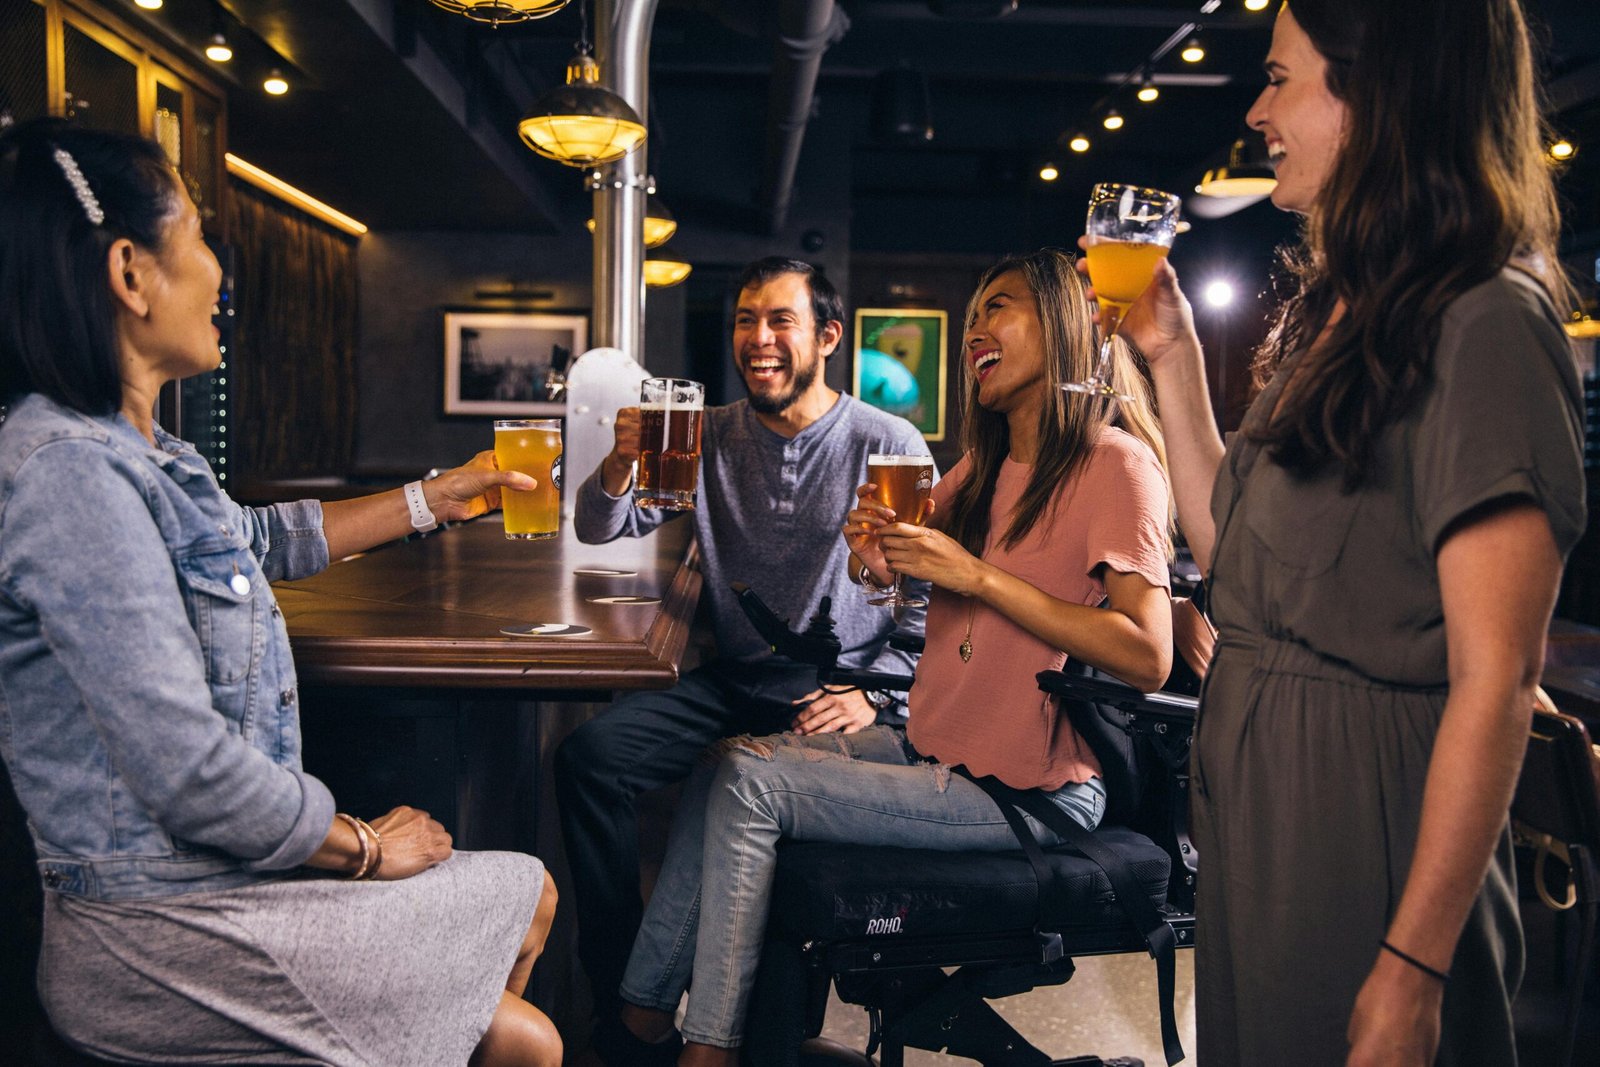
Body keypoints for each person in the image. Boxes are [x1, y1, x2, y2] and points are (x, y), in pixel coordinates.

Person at [0, 117, 561, 1067]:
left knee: (531, 897)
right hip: (152, 932)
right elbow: (190, 773)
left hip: (217, 884)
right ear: (130, 274)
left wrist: (439, 496)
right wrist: (365, 847)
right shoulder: (68, 475)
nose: (223, 271)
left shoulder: (151, 454)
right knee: (527, 1040)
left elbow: (258, 541)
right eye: (201, 237)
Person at [1093, 2, 1588, 1063]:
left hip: (1367, 824)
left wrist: (1412, 963)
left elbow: (1496, 679)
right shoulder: (1340, 312)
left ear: (1379, 93)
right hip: (1261, 811)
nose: (1257, 110)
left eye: (1280, 79)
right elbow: (1237, 555)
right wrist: (1174, 357)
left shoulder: (1488, 322)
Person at [611, 249, 1175, 1064]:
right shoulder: (986, 465)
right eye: (974, 313)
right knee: (718, 766)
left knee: (750, 780)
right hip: (940, 741)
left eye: (998, 309)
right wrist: (873, 552)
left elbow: (1149, 655)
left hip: (1029, 787)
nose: (976, 329)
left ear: (1061, 328)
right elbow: (890, 565)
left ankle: (705, 1048)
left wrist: (976, 575)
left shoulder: (1115, 463)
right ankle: (638, 1019)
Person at [558, 256, 932, 1062]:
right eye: (743, 320)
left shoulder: (886, 441)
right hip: (736, 680)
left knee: (722, 787)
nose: (757, 339)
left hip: (833, 691)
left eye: (779, 321)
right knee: (590, 756)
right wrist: (621, 461)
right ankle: (616, 972)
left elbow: (929, 594)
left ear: (828, 336)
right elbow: (597, 527)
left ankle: (647, 1015)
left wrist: (879, 696)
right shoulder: (709, 433)